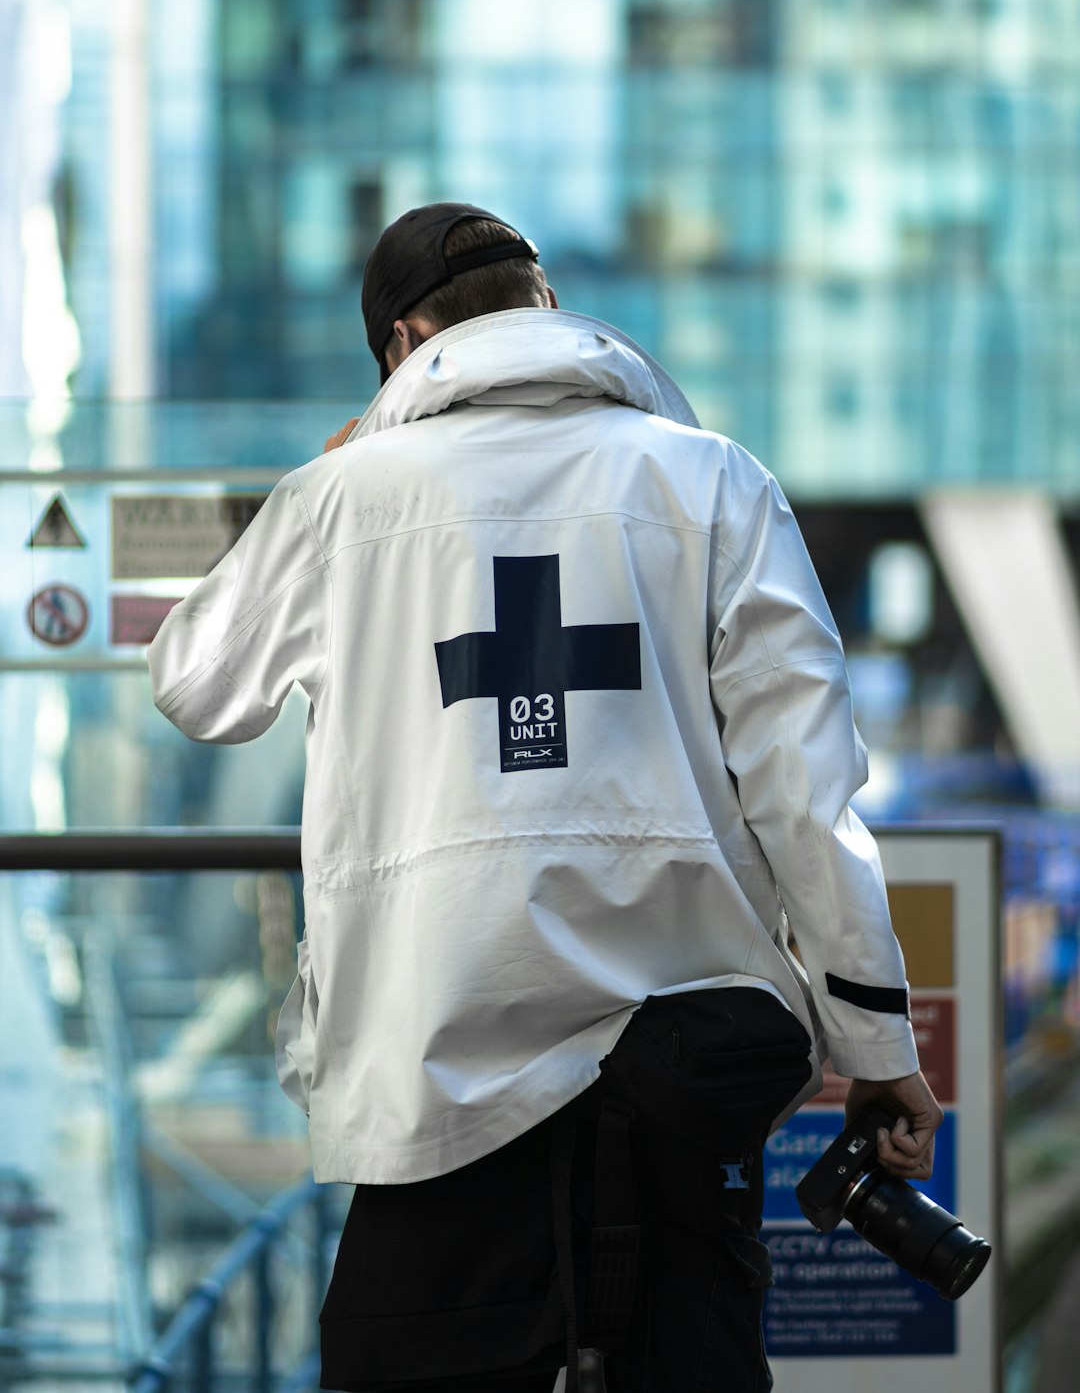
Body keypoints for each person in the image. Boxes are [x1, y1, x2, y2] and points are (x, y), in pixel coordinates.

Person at [148, 202, 943, 1393]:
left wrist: (331, 471)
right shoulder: (714, 481)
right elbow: (808, 795)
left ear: (402, 341)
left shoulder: (347, 498)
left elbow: (195, 685)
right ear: (550, 311)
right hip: (682, 1094)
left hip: (435, 1093)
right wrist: (875, 1045)